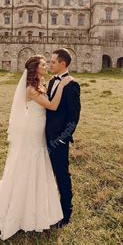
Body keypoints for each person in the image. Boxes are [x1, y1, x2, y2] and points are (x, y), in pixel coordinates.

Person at [0, 55, 73, 240]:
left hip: (39, 129)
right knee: (29, 163)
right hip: (32, 130)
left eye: (48, 63)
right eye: (43, 64)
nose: (47, 66)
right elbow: (53, 106)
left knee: (38, 163)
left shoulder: (40, 84)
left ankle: (38, 206)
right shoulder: (31, 89)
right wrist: (63, 84)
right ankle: (21, 207)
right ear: (35, 69)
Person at [45, 48, 81, 228]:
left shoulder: (72, 85)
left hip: (59, 140)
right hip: (44, 137)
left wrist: (62, 138)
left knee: (62, 175)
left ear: (62, 64)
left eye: (52, 62)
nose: (50, 64)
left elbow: (74, 117)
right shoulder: (51, 82)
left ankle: (66, 212)